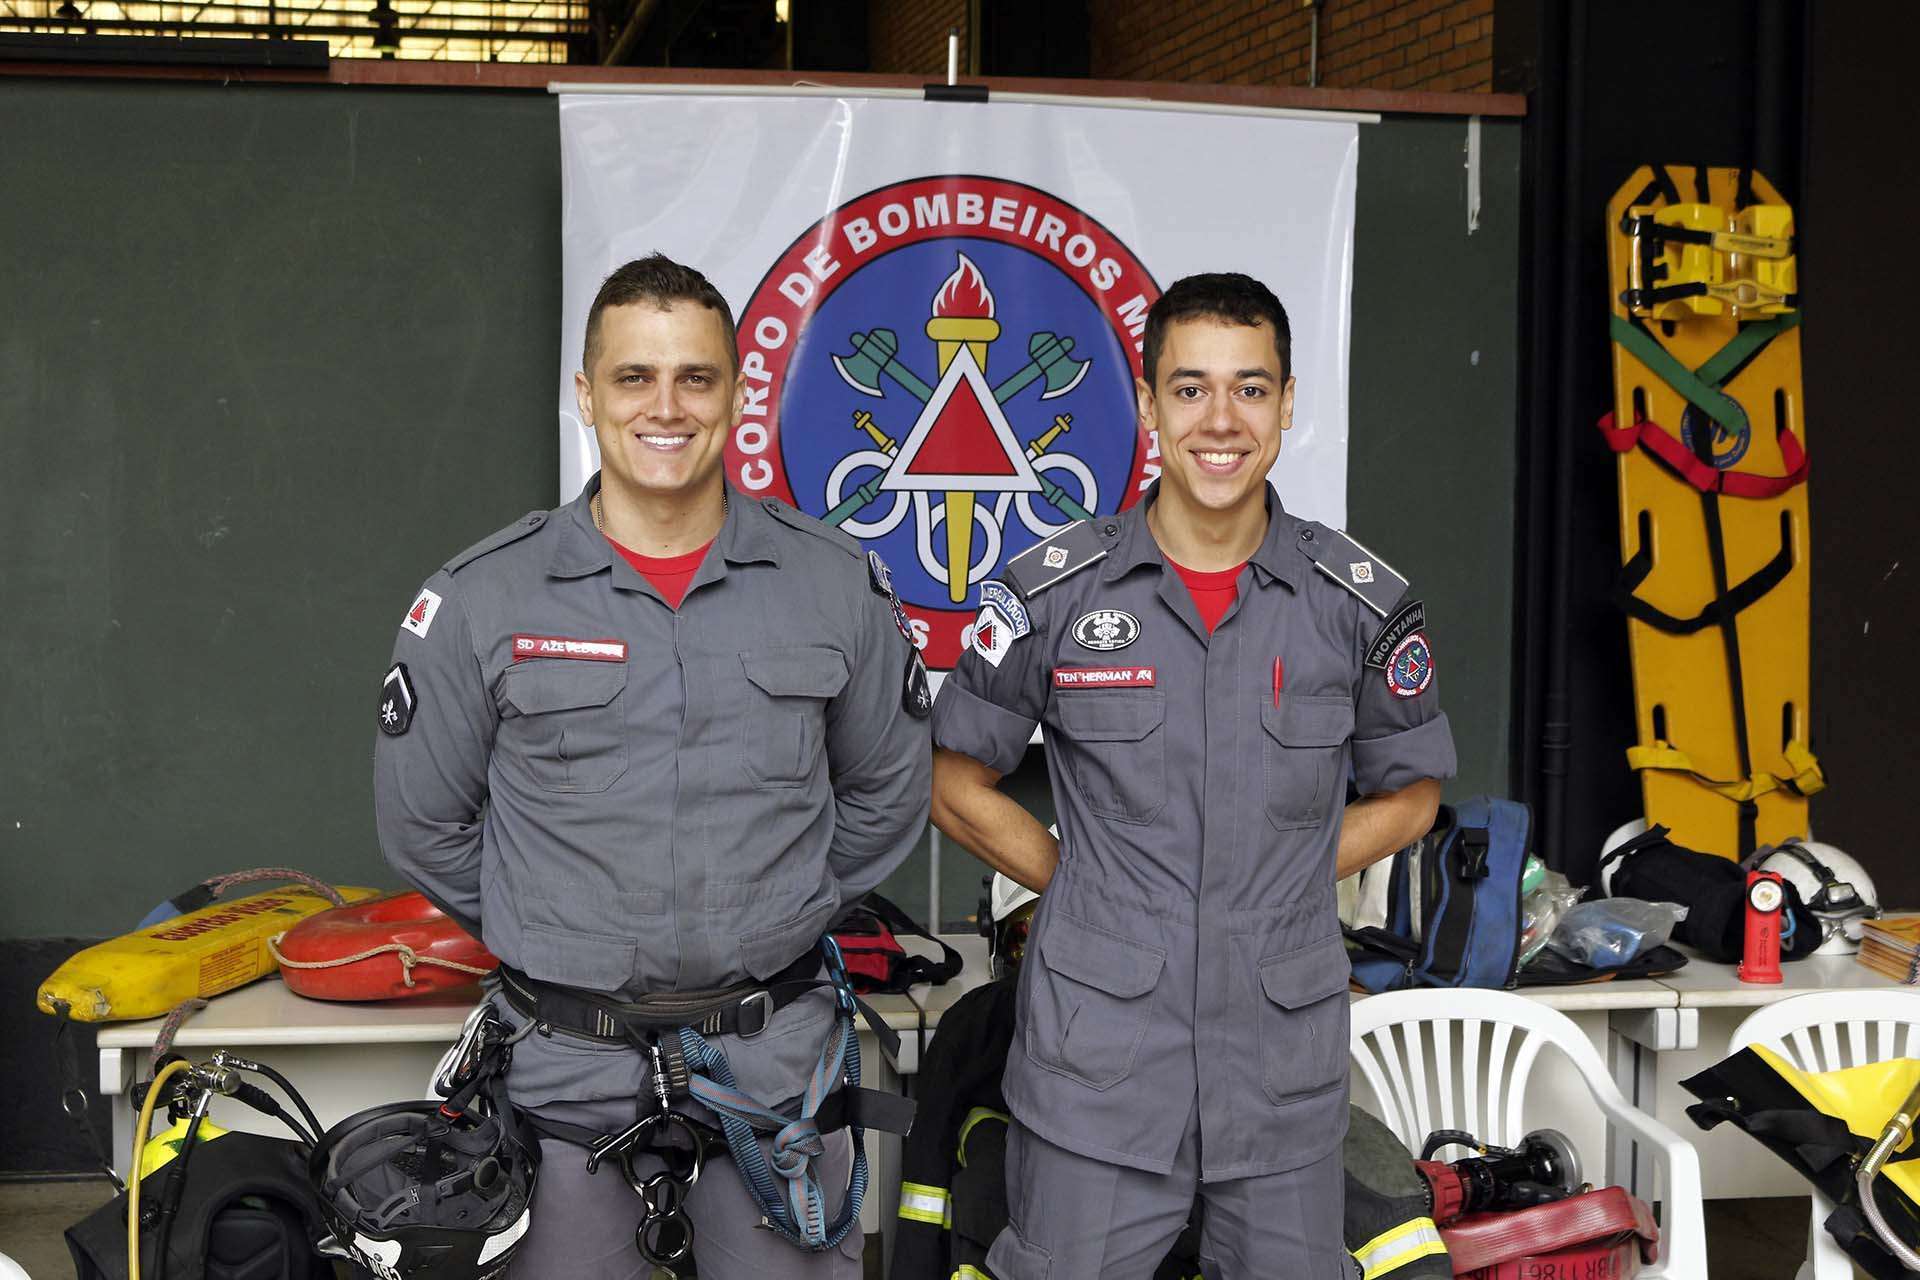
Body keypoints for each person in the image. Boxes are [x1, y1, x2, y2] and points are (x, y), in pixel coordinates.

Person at [374, 254, 931, 1277]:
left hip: (777, 1075)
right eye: (634, 377)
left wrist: (767, 906)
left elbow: (887, 790)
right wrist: (560, 925)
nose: (664, 407)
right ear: (586, 394)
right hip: (563, 1076)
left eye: (695, 377)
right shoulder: (484, 598)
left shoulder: (834, 582)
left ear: (737, 395)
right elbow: (425, 824)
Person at [930, 272, 1455, 1279]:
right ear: (1146, 404)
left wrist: (1296, 866)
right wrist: (1077, 882)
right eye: (1191, 388)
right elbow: (953, 780)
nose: (1221, 420)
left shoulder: (1357, 602)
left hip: (1280, 1079)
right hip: (1098, 1074)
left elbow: (1411, 793)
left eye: (1250, 389)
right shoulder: (1057, 589)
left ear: (1289, 404)